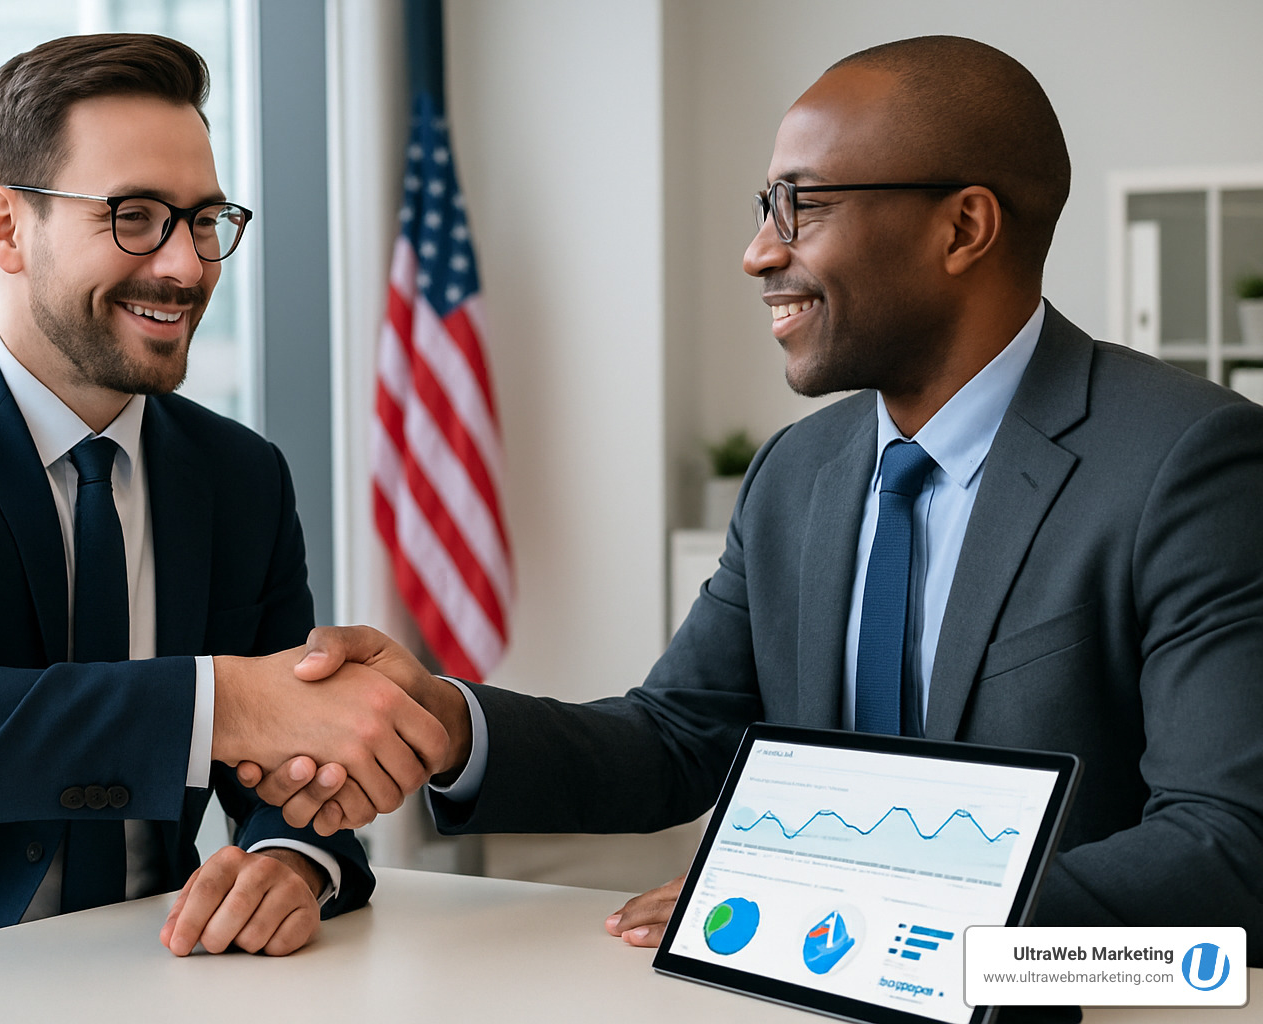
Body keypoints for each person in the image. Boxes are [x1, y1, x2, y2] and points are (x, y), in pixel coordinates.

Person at [245, 35, 1263, 964]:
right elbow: (680, 734)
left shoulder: (1188, 461)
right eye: (763, 208)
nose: (760, 252)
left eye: (803, 205)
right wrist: (450, 724)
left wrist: (826, 905)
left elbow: (1225, 848)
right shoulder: (797, 475)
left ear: (964, 226)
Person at [0, 33, 447, 984]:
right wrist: (225, 701)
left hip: (152, 972)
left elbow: (287, 770)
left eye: (204, 220)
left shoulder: (242, 476)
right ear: (4, 228)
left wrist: (290, 859)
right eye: (136, 217)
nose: (187, 268)